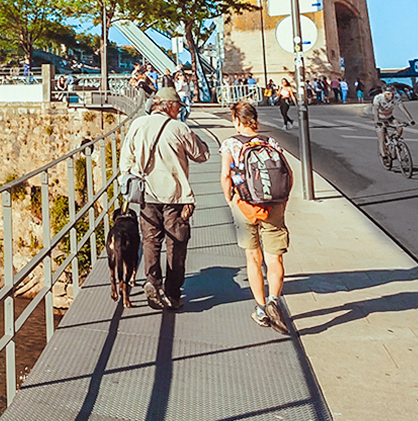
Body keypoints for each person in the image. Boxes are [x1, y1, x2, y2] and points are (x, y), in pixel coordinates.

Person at [120, 84, 210, 310]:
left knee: (150, 240)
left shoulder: (138, 124)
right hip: (176, 197)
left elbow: (126, 163)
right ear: (170, 106)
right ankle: (172, 292)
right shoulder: (179, 128)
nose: (179, 110)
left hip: (146, 195)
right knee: (176, 243)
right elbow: (202, 155)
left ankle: (152, 281)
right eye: (178, 106)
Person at [220, 101, 292, 333]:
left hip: (245, 205)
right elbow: (288, 173)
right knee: (275, 259)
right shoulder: (270, 142)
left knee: (253, 257)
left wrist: (230, 200)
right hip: (274, 205)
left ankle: (261, 310)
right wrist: (284, 200)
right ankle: (274, 301)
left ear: (237, 121)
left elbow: (225, 176)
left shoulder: (230, 143)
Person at [372, 83, 413, 158]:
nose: (391, 96)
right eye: (388, 94)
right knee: (382, 137)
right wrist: (377, 121)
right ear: (383, 92)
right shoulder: (378, 98)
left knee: (399, 127)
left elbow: (403, 108)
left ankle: (394, 142)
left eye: (393, 93)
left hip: (389, 117)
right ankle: (384, 155)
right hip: (380, 119)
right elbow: (375, 110)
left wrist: (410, 119)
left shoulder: (396, 97)